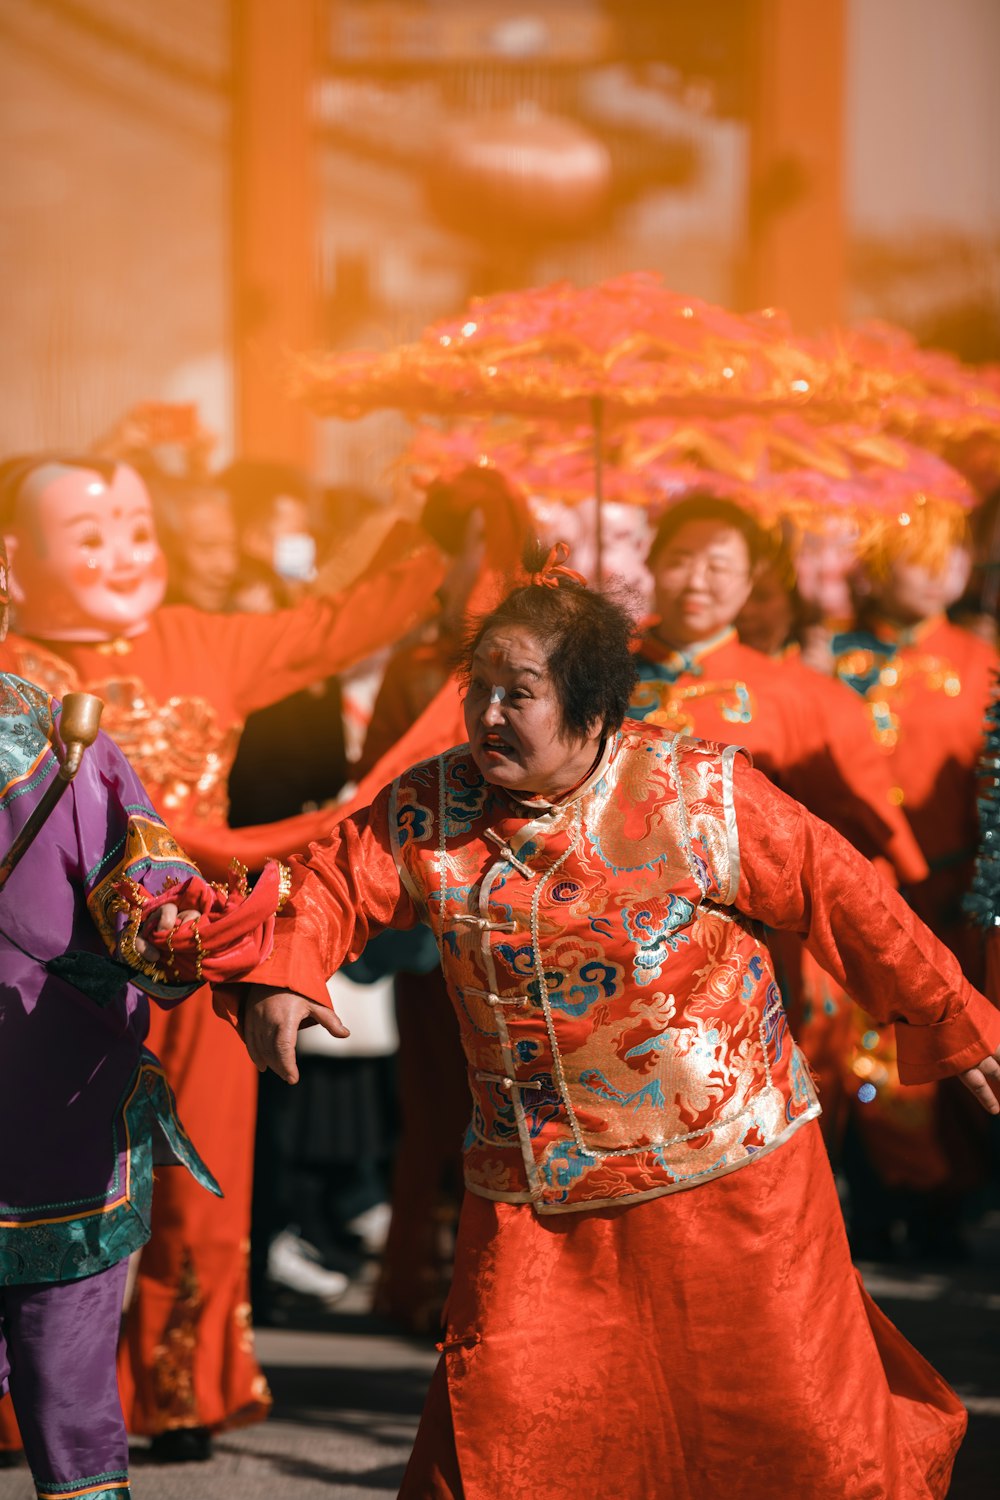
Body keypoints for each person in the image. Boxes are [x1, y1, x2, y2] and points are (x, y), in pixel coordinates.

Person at [197, 553, 1000, 1499]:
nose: (489, 714)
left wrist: (954, 1021)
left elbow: (846, 896)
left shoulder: (698, 794)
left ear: (591, 704)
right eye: (480, 690)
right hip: (536, 1188)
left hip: (733, 1177)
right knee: (506, 1431)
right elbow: (334, 880)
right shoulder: (433, 803)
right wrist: (287, 973)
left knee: (791, 1436)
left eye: (520, 694)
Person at [0, 451, 445, 1460]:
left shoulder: (205, 642)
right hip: (40, 976)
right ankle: (21, 1395)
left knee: (199, 1177)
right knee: (30, 1181)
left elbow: (341, 624)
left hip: (196, 945)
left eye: (135, 531)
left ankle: (179, 1386)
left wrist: (442, 526)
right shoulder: (7, 664)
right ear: (16, 557)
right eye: (91, 536)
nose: (122, 555)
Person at [0, 535, 283, 1499]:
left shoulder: (61, 744)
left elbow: (141, 869)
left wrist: (166, 920)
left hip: (53, 1115)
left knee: (70, 1395)